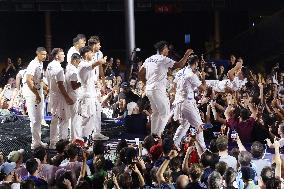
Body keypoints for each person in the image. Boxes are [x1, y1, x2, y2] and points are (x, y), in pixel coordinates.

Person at [138, 41, 193, 136]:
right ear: (163, 49)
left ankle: (153, 136)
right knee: (166, 113)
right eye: (167, 48)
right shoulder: (163, 59)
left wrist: (145, 82)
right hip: (157, 89)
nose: (168, 50)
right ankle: (158, 136)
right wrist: (187, 54)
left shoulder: (149, 59)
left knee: (156, 113)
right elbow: (179, 65)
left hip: (149, 89)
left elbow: (140, 72)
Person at [172, 55, 207, 150]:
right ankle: (203, 150)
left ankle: (174, 144)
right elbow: (203, 88)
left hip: (179, 102)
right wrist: (203, 77)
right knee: (199, 125)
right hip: (186, 102)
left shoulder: (179, 72)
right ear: (195, 64)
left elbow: (174, 86)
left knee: (184, 124)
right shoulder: (191, 75)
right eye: (197, 64)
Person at [76, 46, 109, 140]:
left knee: (96, 115)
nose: (93, 54)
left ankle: (96, 134)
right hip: (86, 97)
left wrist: (100, 86)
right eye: (91, 52)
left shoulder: (88, 64)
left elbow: (94, 78)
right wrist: (101, 61)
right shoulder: (83, 65)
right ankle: (83, 140)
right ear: (86, 54)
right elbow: (96, 63)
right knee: (87, 119)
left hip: (93, 95)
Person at [46, 48, 74, 149]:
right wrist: (67, 97)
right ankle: (63, 143)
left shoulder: (49, 66)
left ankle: (53, 143)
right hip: (60, 96)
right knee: (64, 119)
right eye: (62, 54)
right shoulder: (58, 68)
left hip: (53, 95)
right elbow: (61, 85)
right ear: (57, 56)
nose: (64, 56)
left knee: (54, 120)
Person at [22, 47, 47, 149]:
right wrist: (36, 94)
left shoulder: (40, 64)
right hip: (32, 93)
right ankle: (34, 143)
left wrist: (46, 88)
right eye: (42, 54)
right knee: (34, 119)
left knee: (39, 118)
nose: (44, 56)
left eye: (45, 55)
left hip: (38, 91)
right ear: (37, 54)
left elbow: (40, 79)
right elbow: (29, 80)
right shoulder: (33, 64)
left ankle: (38, 141)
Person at [65, 53, 82, 142]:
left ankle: (73, 137)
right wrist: (83, 81)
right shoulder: (73, 71)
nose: (78, 64)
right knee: (75, 118)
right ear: (75, 60)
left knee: (73, 118)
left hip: (70, 95)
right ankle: (75, 138)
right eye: (78, 62)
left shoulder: (67, 68)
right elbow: (74, 86)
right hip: (73, 95)